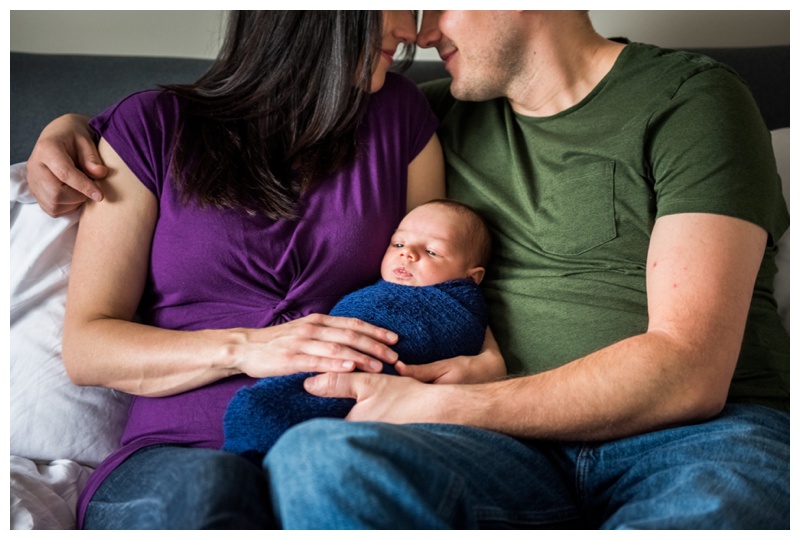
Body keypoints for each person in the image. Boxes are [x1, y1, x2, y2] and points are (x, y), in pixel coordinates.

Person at [25, 10, 790, 530]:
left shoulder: (689, 99)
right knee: (307, 466)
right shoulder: (436, 109)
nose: (420, 29)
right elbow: (247, 113)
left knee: (716, 508)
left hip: (684, 437)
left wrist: (455, 397)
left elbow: (689, 369)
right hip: (480, 452)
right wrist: (70, 130)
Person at [26, 10, 502, 530]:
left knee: (321, 478)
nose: (413, 33)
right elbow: (88, 349)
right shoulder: (151, 126)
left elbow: (438, 275)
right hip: (175, 456)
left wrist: (487, 362)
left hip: (340, 440)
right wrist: (248, 348)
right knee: (215, 489)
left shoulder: (400, 117)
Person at [223, 198, 502, 458]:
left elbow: (462, 331)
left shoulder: (455, 306)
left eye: (431, 251)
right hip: (328, 364)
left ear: (471, 278)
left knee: (260, 411)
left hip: (373, 383)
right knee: (256, 410)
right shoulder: (378, 288)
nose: (408, 254)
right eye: (398, 244)